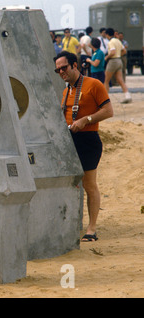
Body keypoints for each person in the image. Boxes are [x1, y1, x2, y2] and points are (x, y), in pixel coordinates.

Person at [53, 51, 113, 242]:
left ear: (74, 65)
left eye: (64, 67)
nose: (61, 72)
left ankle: (92, 228)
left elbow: (108, 110)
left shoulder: (93, 84)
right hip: (70, 141)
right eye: (58, 70)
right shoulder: (66, 91)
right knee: (70, 183)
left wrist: (86, 120)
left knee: (89, 184)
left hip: (88, 140)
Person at [104, 28, 131, 103]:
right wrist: (119, 55)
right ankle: (127, 95)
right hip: (119, 60)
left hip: (113, 61)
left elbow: (112, 52)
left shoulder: (111, 42)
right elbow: (124, 51)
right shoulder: (118, 41)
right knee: (120, 80)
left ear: (107, 34)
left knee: (106, 80)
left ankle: (105, 99)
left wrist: (106, 57)